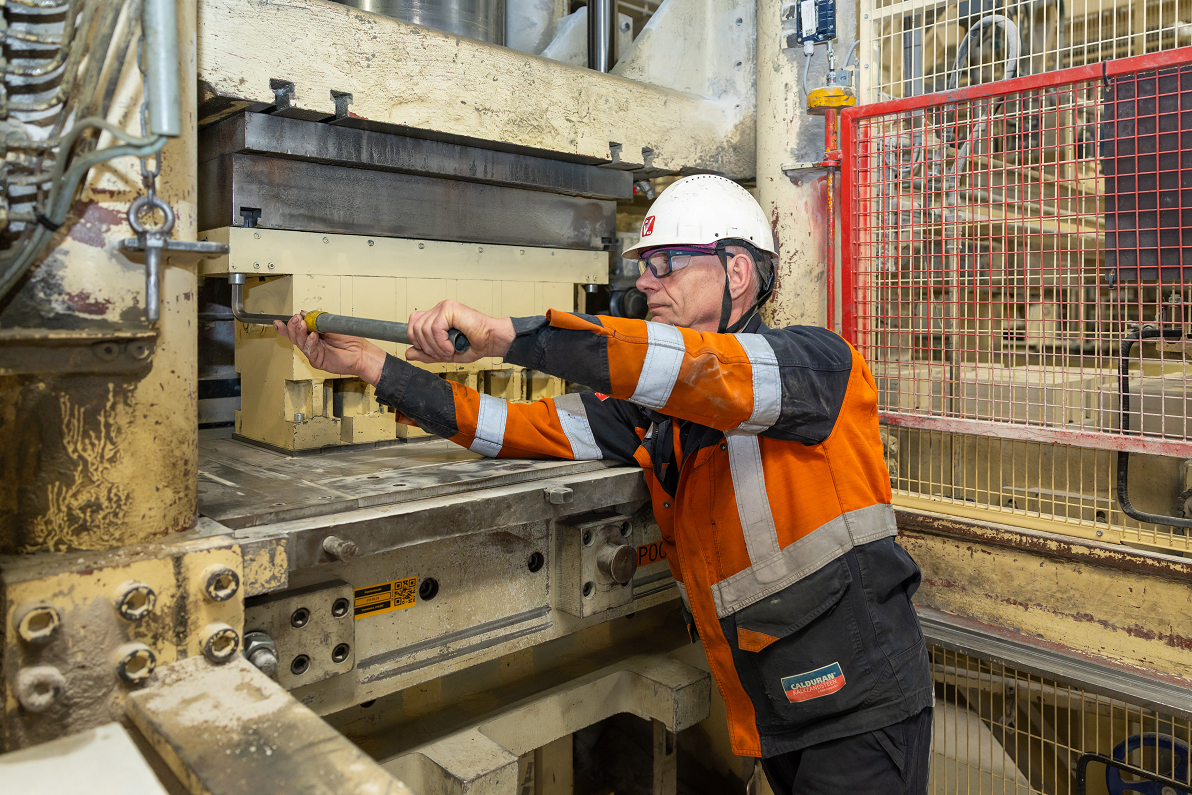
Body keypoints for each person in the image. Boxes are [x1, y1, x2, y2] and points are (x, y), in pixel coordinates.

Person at [274, 175, 934, 794]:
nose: (646, 283)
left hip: (861, 709)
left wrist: (505, 336)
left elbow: (695, 370)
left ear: (736, 271)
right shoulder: (658, 416)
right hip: (777, 713)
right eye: (643, 266)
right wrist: (372, 365)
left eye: (665, 263)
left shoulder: (815, 369)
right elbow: (509, 426)